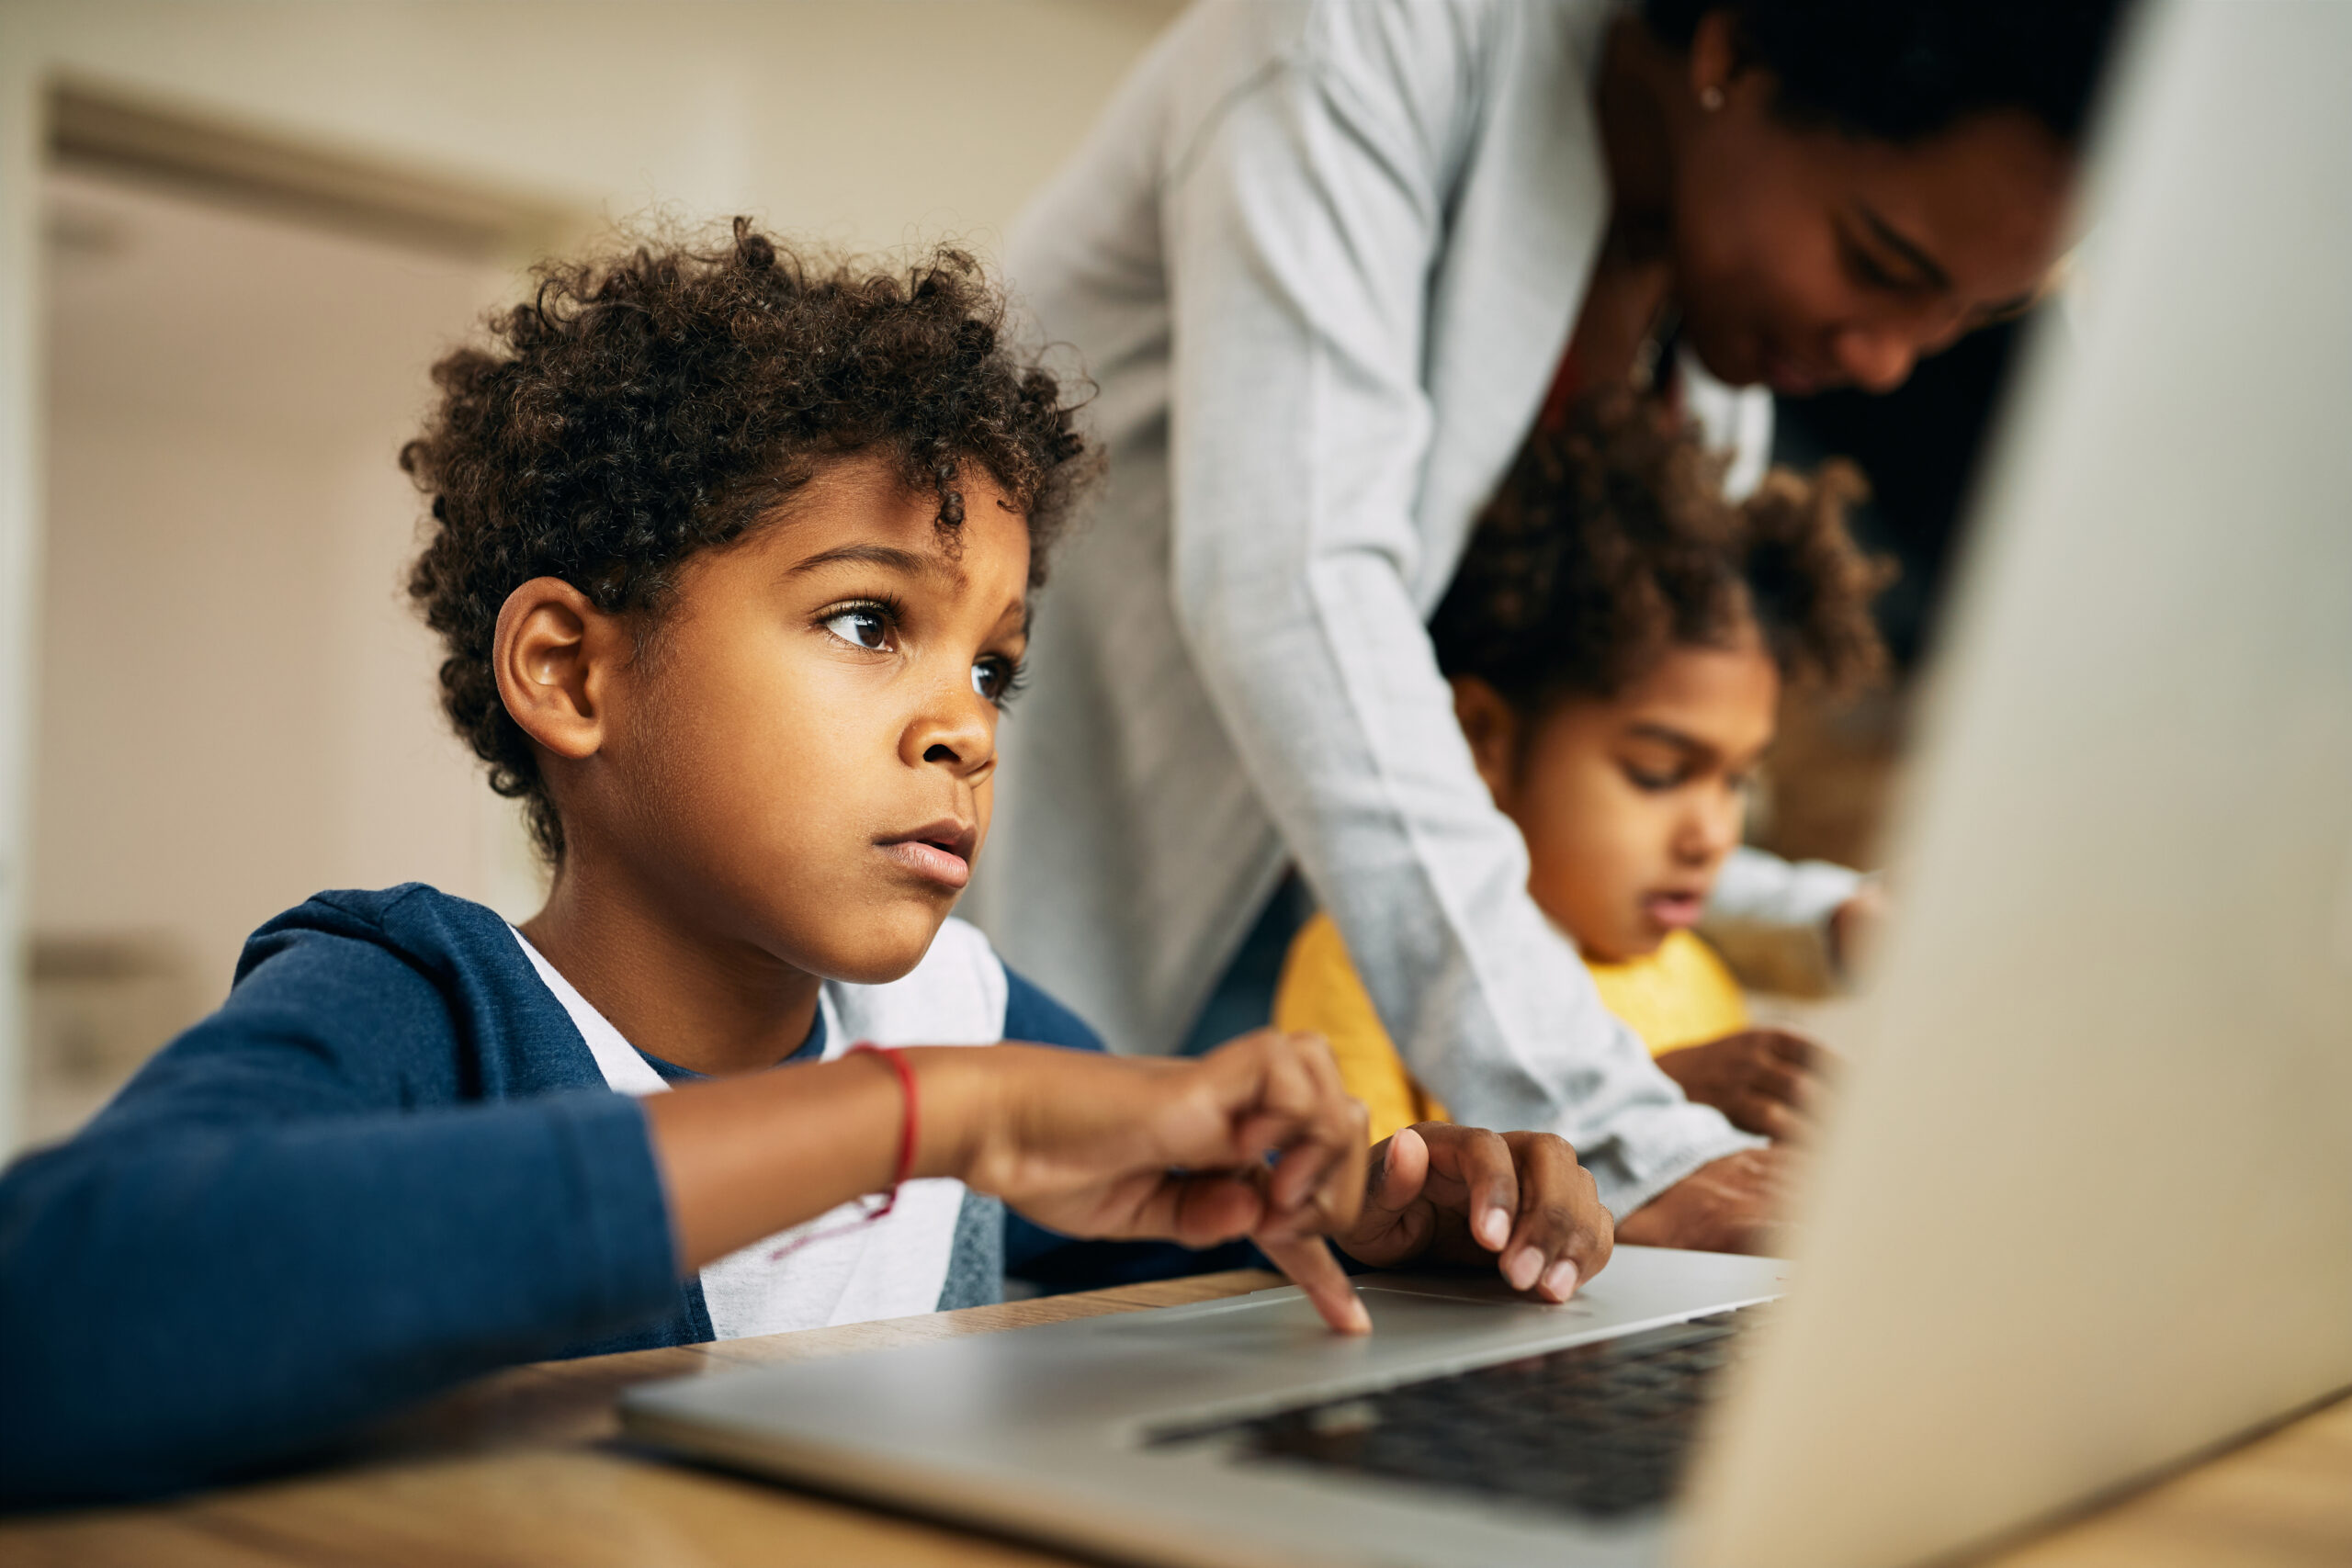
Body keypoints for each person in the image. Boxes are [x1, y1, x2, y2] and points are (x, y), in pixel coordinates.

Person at [0, 224, 1613, 1508]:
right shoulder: (425, 1003)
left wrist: (1393, 1209)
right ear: (570, 671)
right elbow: (58, 1317)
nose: (964, 729)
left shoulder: (961, 1015)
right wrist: (925, 1119)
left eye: (995, 666)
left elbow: (1178, 1226)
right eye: (866, 621)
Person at [972, 0, 2126, 1247]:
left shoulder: (1703, 318)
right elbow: (1296, 594)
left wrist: (1815, 920)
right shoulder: (1356, 41)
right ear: (1732, 45)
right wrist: (1625, 1131)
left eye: (1964, 314)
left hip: (1304, 1121)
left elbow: (1550, 801)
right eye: (1883, 264)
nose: (1893, 358)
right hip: (1075, 991)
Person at [1276, 392, 1890, 1147]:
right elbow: (1353, 1219)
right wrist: (1649, 1110)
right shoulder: (1360, 966)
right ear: (1484, 737)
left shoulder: (1695, 972)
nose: (1713, 835)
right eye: (1659, 773)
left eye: (1737, 781)